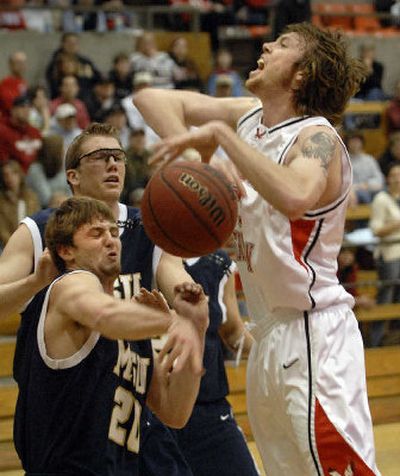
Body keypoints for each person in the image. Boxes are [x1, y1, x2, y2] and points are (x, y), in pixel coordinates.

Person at [134, 22, 380, 475]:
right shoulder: (250, 119)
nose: (266, 45)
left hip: (315, 334)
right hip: (266, 335)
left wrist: (220, 141)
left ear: (302, 75)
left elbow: (295, 196)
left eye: (283, 45)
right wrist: (197, 169)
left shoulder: (316, 137)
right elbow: (151, 99)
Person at [0, 122, 198, 476]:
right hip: (65, 424)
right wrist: (34, 283)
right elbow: (106, 315)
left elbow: (175, 276)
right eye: (100, 157)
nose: (113, 164)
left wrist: (191, 311)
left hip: (132, 427)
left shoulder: (151, 228)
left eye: (118, 156)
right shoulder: (43, 233)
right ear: (72, 175)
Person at [169, 249, 259, 476]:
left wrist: (272, 352)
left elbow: (233, 332)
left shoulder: (218, 263)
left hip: (208, 407)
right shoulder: (140, 250)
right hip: (155, 413)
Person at [369, 163, 400, 347]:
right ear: (388, 178)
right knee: (385, 298)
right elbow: (376, 230)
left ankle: (394, 342)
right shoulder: (381, 199)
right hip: (389, 256)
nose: (398, 179)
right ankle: (375, 343)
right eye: (394, 175)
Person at [0, 160, 40, 251]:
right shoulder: (1, 201)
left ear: (20, 175)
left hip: (30, 241)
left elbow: (37, 221)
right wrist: (14, 244)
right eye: (6, 175)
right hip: (8, 244)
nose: (10, 178)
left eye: (14, 173)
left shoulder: (31, 197)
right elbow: (2, 230)